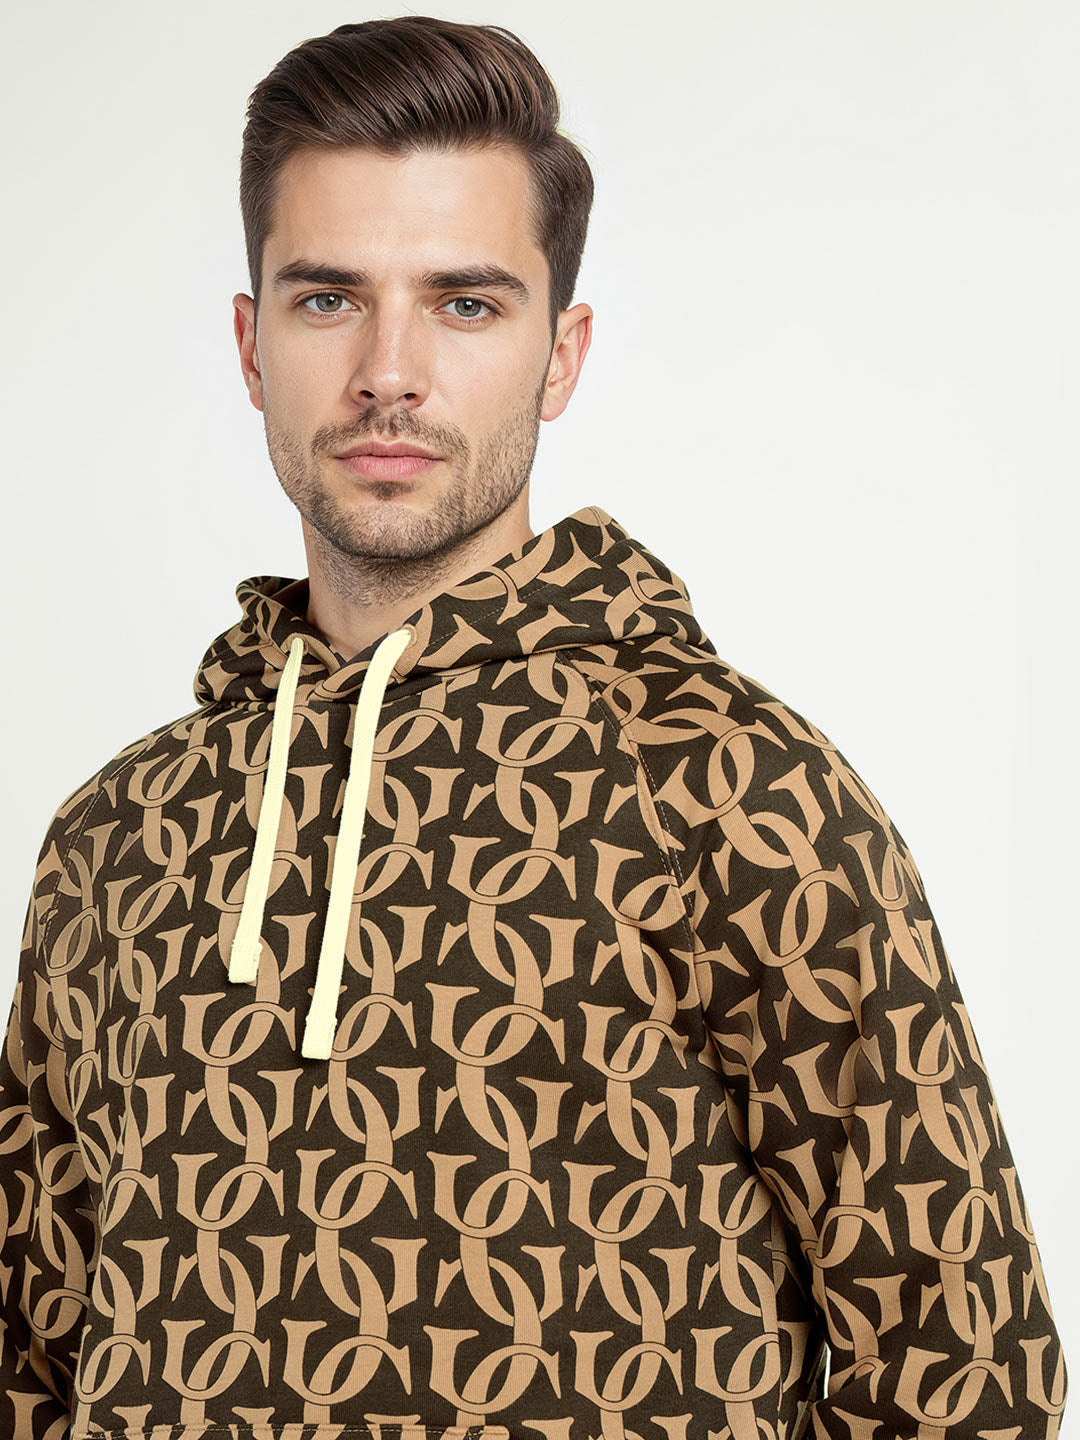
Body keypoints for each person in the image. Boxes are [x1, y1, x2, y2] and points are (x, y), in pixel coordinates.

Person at [0, 15, 1067, 1440]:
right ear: (251, 345)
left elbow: (964, 1368)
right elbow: (31, 1355)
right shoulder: (116, 838)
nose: (389, 370)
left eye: (464, 303)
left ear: (561, 355)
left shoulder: (730, 787)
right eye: (329, 300)